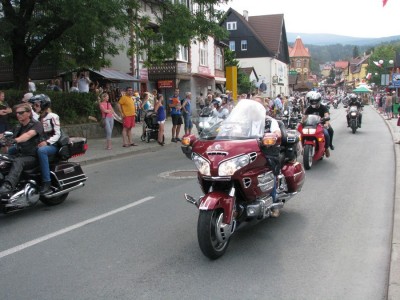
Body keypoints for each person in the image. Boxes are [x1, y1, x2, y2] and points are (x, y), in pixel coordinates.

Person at [0, 103, 44, 194]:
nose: (18, 115)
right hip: (20, 153)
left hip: (32, 156)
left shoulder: (36, 124)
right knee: (3, 159)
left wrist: (15, 140)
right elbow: (4, 134)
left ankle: (8, 185)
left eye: (21, 112)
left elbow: (28, 135)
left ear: (28, 113)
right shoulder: (18, 126)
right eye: (17, 113)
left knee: (18, 161)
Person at [29, 95, 61, 194]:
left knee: (42, 151)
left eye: (37, 105)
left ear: (43, 105)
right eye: (34, 105)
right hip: (40, 143)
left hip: (52, 145)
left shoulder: (53, 116)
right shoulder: (36, 118)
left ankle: (47, 182)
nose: (35, 107)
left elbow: (57, 134)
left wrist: (47, 142)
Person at [303, 91, 333, 157]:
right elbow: (305, 117)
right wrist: (302, 122)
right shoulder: (309, 108)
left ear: (319, 100)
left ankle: (327, 147)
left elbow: (326, 115)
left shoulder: (323, 107)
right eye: (312, 101)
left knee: (327, 133)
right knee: (302, 134)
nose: (314, 102)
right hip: (311, 125)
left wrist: (326, 123)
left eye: (315, 101)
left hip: (321, 125)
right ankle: (303, 148)